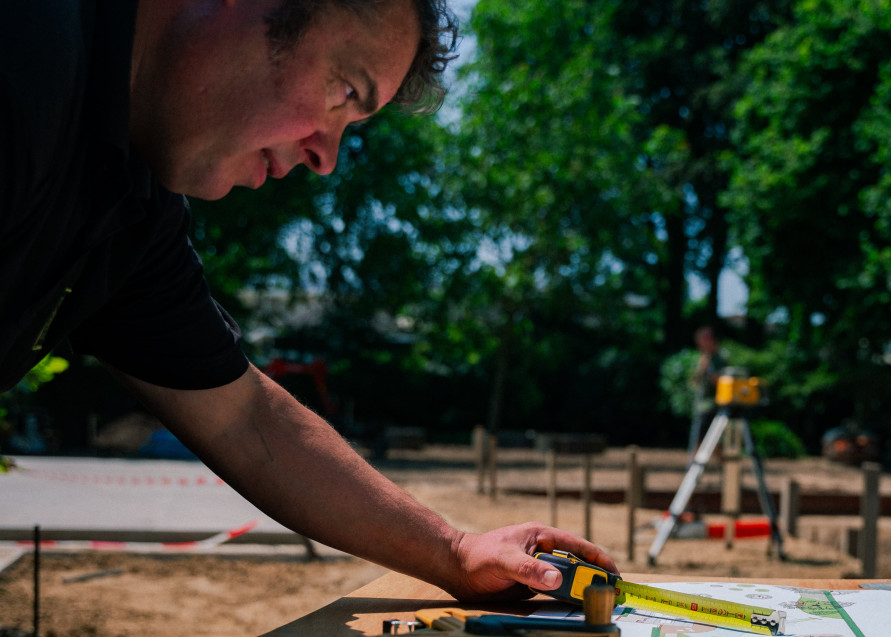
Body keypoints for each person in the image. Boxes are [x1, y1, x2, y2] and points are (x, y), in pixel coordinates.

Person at [0, 0, 616, 601]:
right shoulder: (25, 57)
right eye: (345, 91)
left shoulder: (128, 206)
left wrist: (455, 552)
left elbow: (243, 419)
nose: (326, 158)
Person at [687, 326, 726, 460]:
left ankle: (694, 462)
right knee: (712, 441)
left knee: (706, 437)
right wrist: (699, 372)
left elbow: (720, 382)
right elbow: (695, 382)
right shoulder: (705, 358)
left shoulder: (719, 359)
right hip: (703, 404)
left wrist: (708, 369)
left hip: (713, 404)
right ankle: (698, 463)